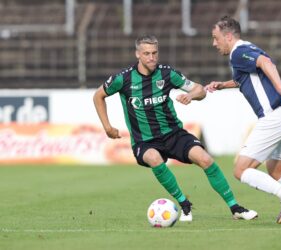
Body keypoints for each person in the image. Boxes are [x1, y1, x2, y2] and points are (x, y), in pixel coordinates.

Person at [93, 34, 257, 222]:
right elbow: (98, 96)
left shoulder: (167, 73)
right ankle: (184, 203)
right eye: (146, 53)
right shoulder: (123, 79)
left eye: (155, 53)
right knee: (154, 158)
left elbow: (200, 90)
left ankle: (235, 207)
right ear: (137, 54)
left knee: (205, 159)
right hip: (144, 141)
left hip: (173, 134)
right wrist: (107, 127)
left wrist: (191, 96)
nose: (151, 57)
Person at [205, 16, 281, 226]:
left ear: (228, 36)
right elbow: (249, 76)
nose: (214, 43)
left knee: (240, 170)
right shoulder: (246, 49)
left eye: (216, 38)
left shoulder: (237, 52)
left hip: (275, 115)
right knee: (276, 171)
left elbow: (264, 62)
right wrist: (223, 84)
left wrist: (279, 88)